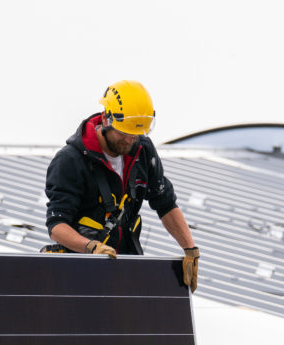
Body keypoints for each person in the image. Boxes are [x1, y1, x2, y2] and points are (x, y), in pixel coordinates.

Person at [44, 80, 200, 290]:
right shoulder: (70, 161)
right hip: (79, 268)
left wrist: (190, 249)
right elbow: (57, 226)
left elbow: (165, 203)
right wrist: (91, 248)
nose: (129, 140)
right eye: (124, 132)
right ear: (107, 118)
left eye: (135, 134)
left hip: (124, 265)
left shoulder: (142, 151)